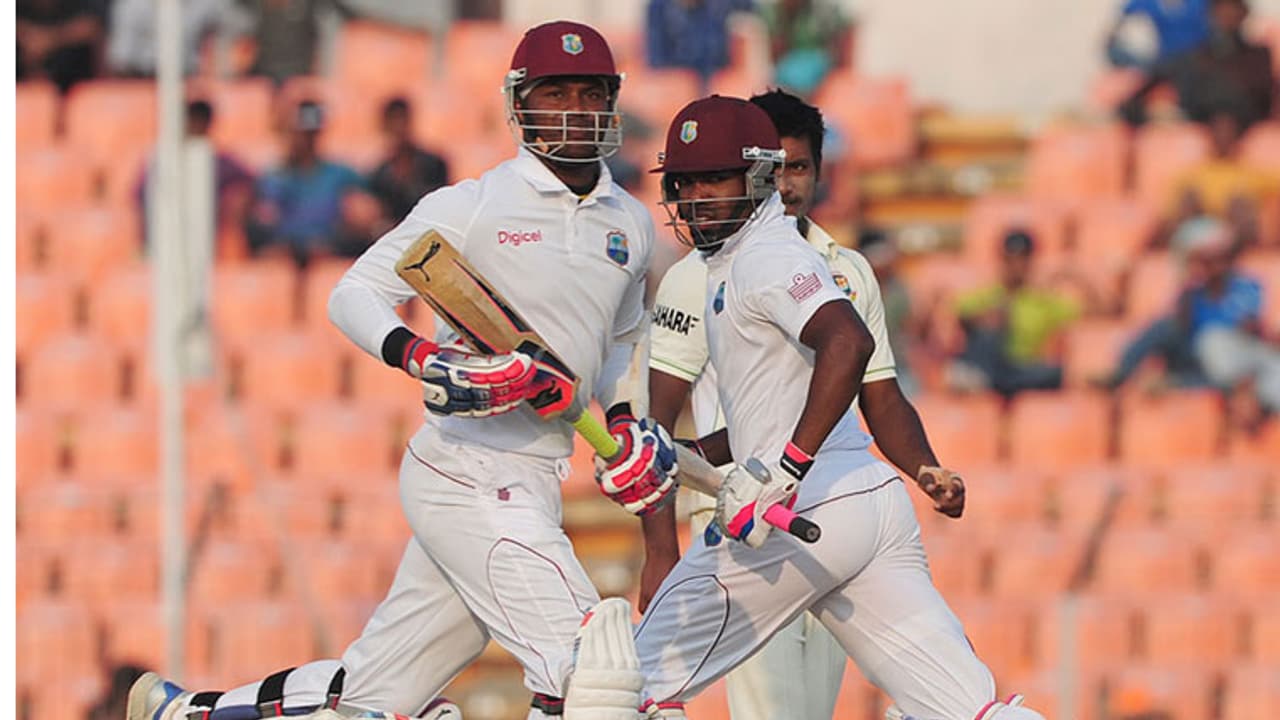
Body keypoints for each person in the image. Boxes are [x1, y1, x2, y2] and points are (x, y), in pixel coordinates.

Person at [127, 20, 678, 720]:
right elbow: (354, 293)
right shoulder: (473, 206)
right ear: (519, 104)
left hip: (537, 474)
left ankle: (190, 713)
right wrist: (426, 359)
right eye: (555, 93)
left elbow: (621, 343)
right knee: (596, 674)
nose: (574, 109)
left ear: (612, 104)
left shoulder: (629, 222)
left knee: (371, 699)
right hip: (466, 468)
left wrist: (624, 422)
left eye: (590, 93)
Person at [632, 94, 1046, 720]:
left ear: (759, 176)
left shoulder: (765, 258)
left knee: (620, 685)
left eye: (714, 179)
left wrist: (785, 469)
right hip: (864, 502)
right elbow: (767, 409)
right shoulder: (735, 261)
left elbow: (848, 344)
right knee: (967, 709)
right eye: (684, 183)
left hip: (791, 510)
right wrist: (683, 454)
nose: (695, 197)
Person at [949, 230, 1082, 397]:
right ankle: (987, 379)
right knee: (989, 334)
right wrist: (983, 320)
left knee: (1053, 373)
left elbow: (1096, 311)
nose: (1017, 265)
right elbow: (954, 315)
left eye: (1023, 259)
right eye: (1011, 258)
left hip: (1021, 368)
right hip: (991, 362)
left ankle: (988, 381)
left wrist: (1074, 276)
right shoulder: (985, 295)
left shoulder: (1043, 301)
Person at [245, 99, 372, 265]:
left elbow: (365, 212)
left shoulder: (341, 175)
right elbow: (265, 221)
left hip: (329, 251)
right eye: (299, 133)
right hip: (286, 254)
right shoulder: (272, 178)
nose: (304, 140)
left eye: (310, 134)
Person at [1119, 0, 1275, 131]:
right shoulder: (1192, 59)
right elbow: (1131, 105)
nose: (1227, 16)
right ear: (1210, 15)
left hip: (1249, 136)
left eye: (1232, 10)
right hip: (1196, 136)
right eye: (1221, 11)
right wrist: (1160, 116)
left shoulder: (1259, 56)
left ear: (1244, 13)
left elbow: (1265, 102)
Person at [136, 99, 256, 254]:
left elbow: (251, 182)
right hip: (167, 240)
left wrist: (236, 201)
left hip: (208, 239)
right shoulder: (161, 162)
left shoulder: (221, 162)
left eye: (197, 121)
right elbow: (139, 198)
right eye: (189, 121)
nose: (192, 126)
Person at [1164, 112, 1280, 250]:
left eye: (1227, 134)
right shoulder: (1193, 174)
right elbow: (1173, 212)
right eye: (1218, 133)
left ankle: (1225, 248)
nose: (1223, 137)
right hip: (1199, 229)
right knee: (1189, 196)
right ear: (1211, 138)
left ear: (1236, 139)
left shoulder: (1252, 172)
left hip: (1237, 235)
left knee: (1239, 203)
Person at [367, 97, 450, 226]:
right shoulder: (380, 175)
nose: (398, 128)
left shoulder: (435, 165)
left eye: (401, 120)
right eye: (393, 122)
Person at [645, 0, 755, 93]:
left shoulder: (723, 6)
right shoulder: (659, 8)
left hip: (720, 80)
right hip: (678, 84)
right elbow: (656, 64)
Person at [16, 0, 107, 94]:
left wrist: (48, 40)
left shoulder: (85, 5)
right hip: (25, 86)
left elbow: (91, 27)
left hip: (78, 85)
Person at [763, 0, 850, 95]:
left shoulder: (826, 12)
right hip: (788, 71)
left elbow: (841, 46)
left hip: (819, 70)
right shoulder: (773, 13)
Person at [1105, 0, 1210, 70]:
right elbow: (1124, 15)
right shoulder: (1150, 2)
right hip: (1167, 61)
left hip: (1200, 58)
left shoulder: (1198, 3)